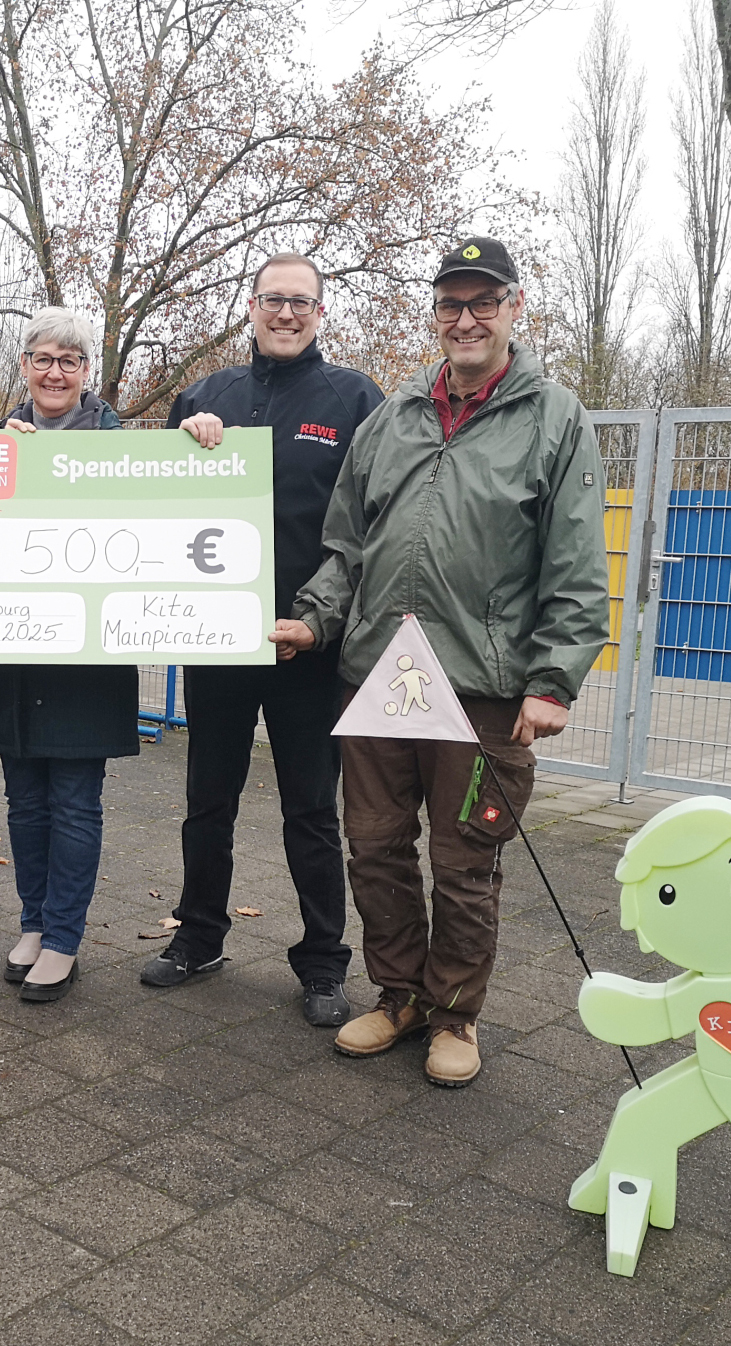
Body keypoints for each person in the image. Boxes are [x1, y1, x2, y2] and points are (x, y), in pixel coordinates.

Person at [274, 236, 610, 1086]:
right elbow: (347, 543)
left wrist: (552, 679)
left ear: (513, 309)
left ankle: (456, 1013)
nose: (465, 319)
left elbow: (575, 561)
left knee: (466, 861)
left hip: (484, 689)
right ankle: (399, 997)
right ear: (436, 315)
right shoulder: (393, 419)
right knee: (376, 847)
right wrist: (315, 620)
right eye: (451, 305)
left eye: (482, 302)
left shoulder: (554, 418)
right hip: (381, 677)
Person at [141, 254, 384, 1029]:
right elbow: (153, 505)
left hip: (308, 648)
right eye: (273, 300)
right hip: (217, 642)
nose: (286, 313)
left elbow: (372, 526)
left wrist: (322, 622)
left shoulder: (355, 400)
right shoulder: (206, 397)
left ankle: (321, 963)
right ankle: (200, 937)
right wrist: (182, 443)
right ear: (250, 307)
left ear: (321, 313)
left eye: (301, 302)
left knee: (312, 810)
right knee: (205, 800)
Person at [0, 307, 136, 1003]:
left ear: (87, 373)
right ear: (23, 368)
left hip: (85, 659)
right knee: (25, 804)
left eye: (69, 361)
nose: (55, 372)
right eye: (42, 358)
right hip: (13, 655)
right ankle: (33, 923)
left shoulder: (121, 447)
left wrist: (199, 443)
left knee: (73, 802)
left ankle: (65, 937)